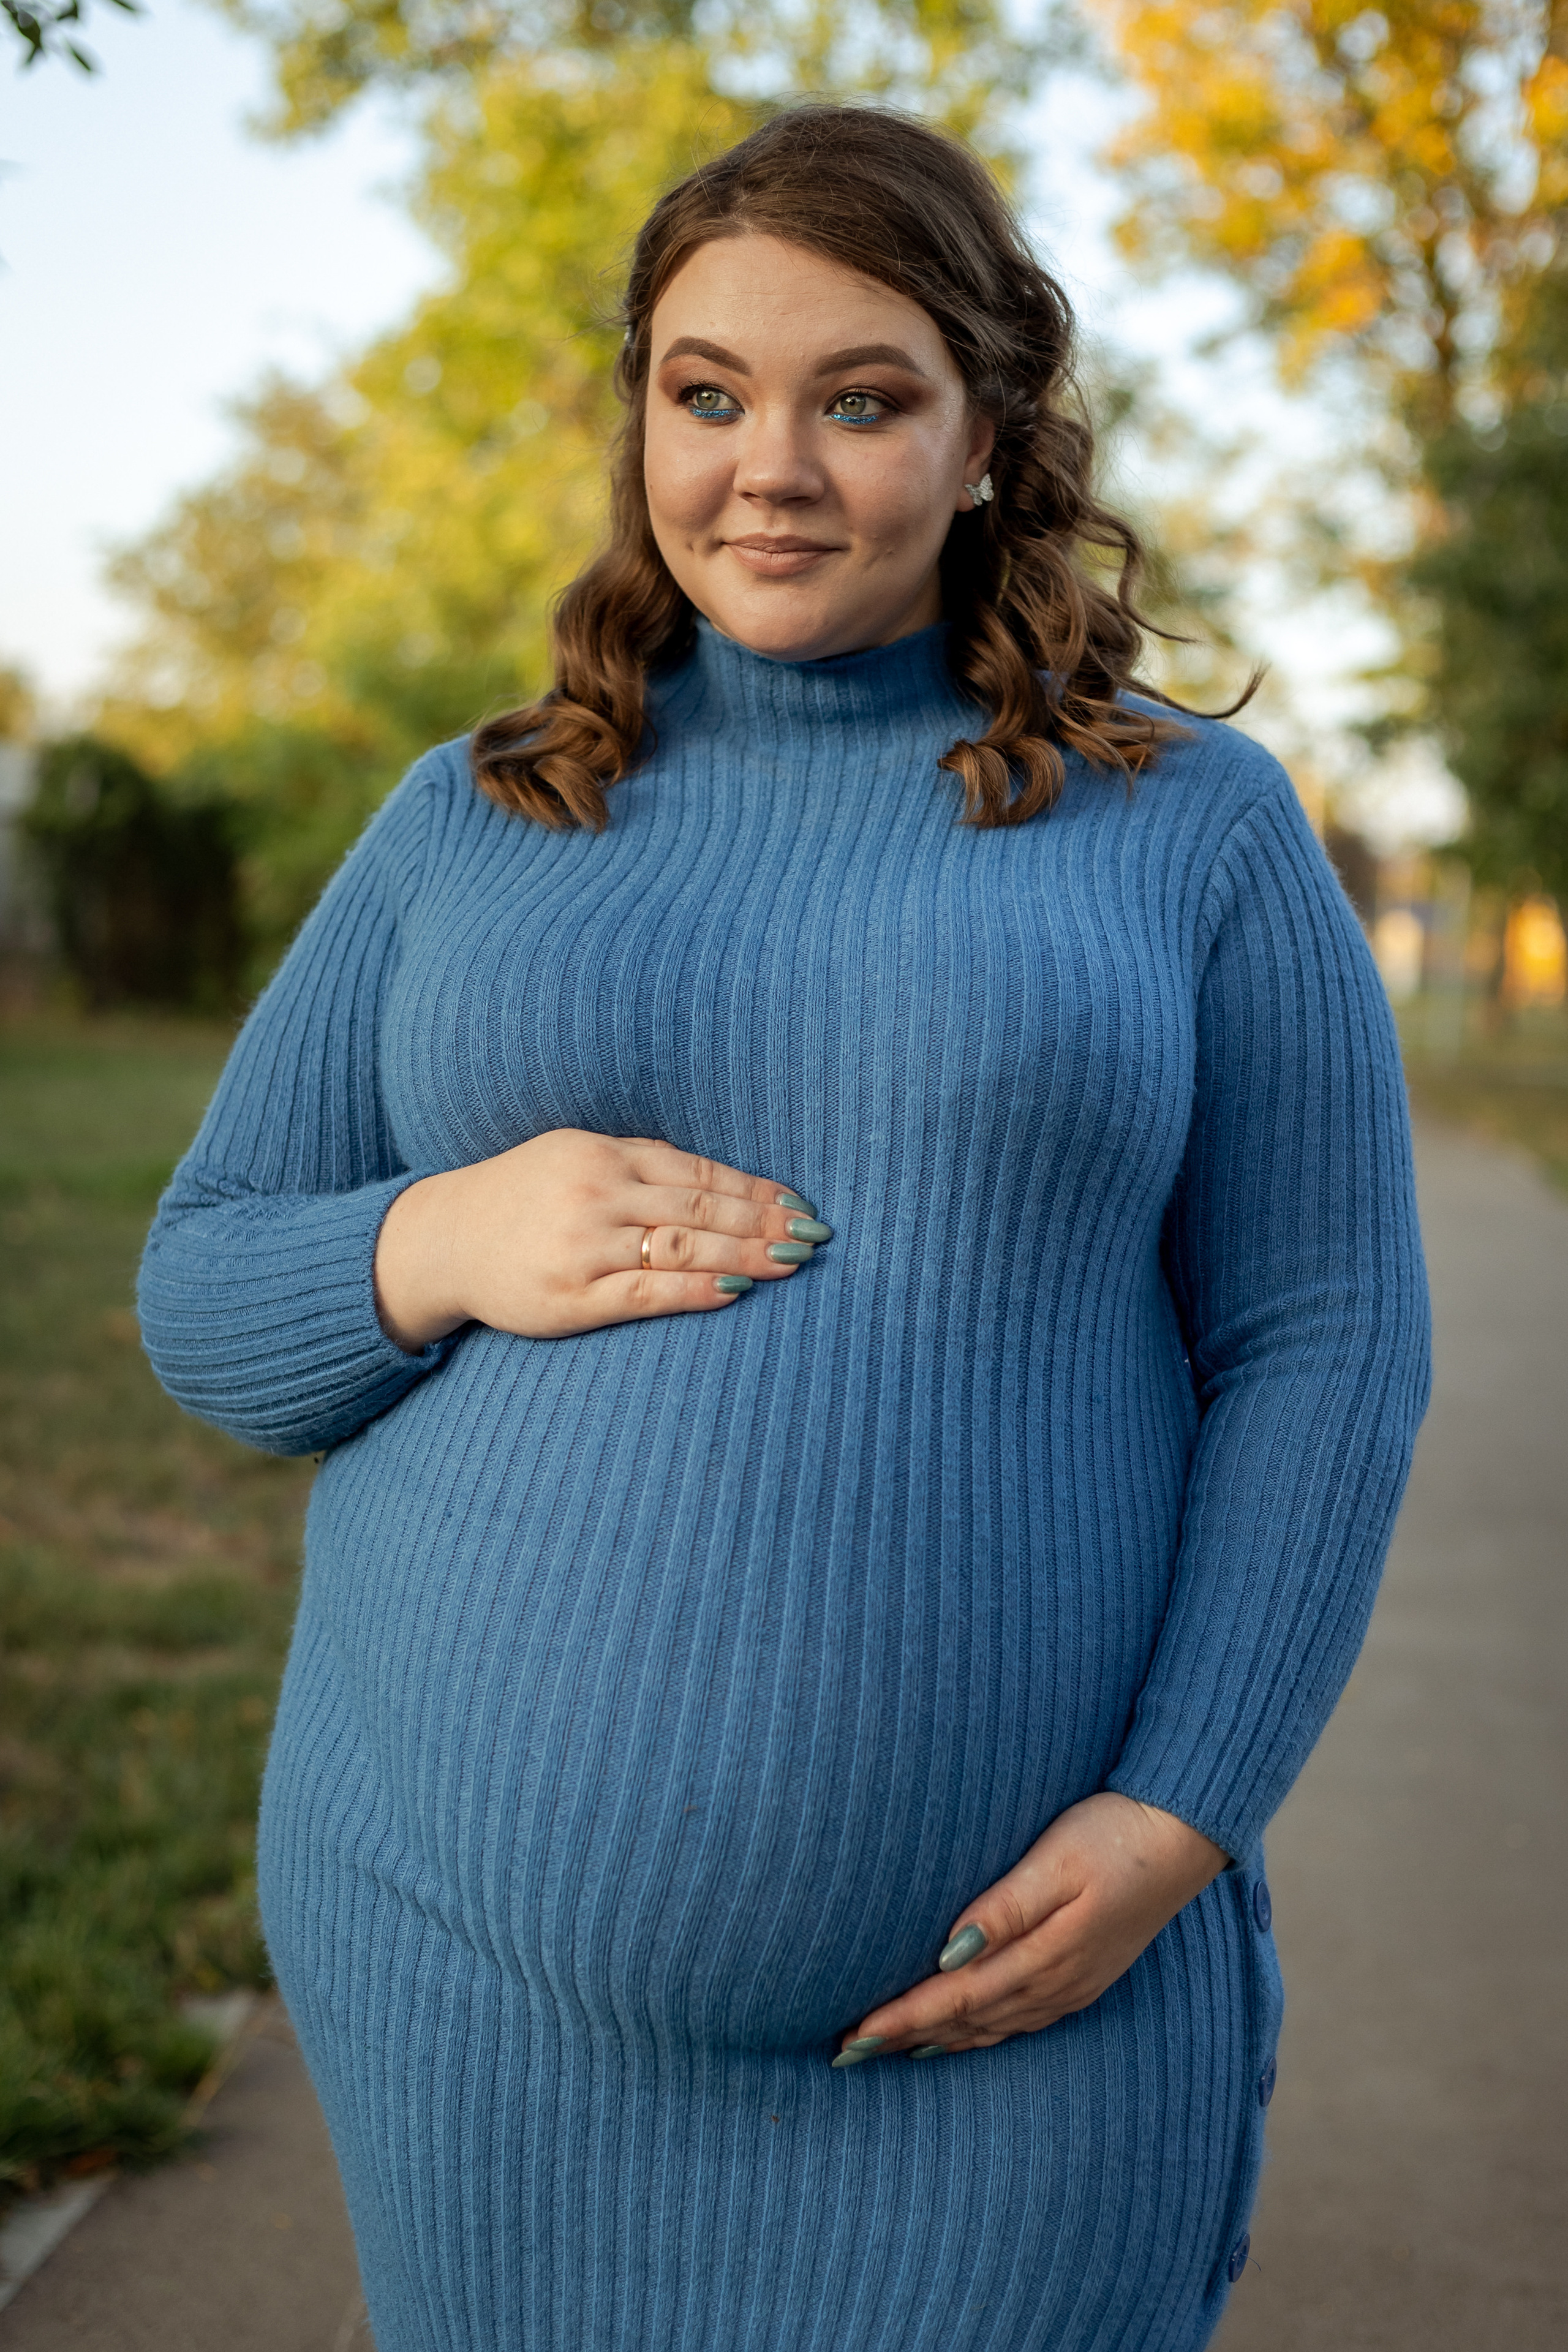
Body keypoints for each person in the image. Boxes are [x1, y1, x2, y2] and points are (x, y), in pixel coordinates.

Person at [139, 102, 1430, 2352]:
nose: (770, 467)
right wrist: (440, 1236)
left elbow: (1327, 1344)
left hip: (1018, 2007)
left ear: (993, 432)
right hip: (466, 1979)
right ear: (641, 407)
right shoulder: (476, 813)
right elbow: (205, 1290)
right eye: (705, 392)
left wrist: (1183, 1817)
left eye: (863, 399)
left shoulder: (1189, 826)